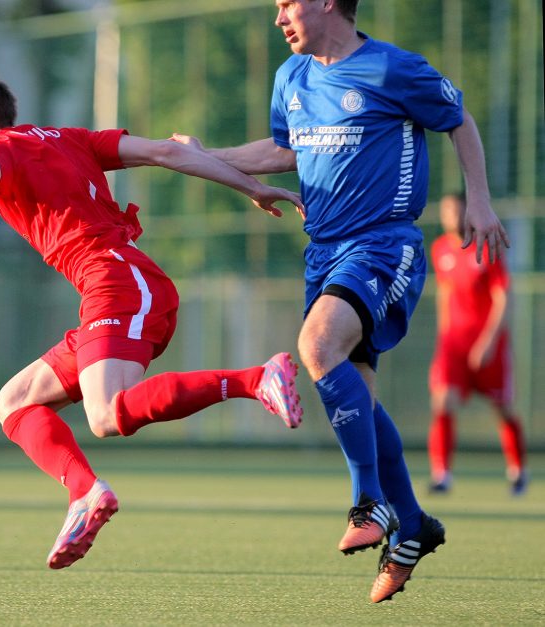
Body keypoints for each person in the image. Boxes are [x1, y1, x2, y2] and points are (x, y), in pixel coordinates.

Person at [0, 66, 305, 571]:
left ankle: (256, 379)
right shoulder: (69, 138)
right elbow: (166, 151)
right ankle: (85, 494)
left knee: (105, 414)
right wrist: (253, 187)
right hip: (115, 285)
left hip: (118, 282)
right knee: (15, 402)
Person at [174, 0, 509, 603]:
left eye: (286, 4)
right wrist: (206, 154)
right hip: (323, 253)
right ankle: (413, 525)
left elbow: (458, 118)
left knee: (316, 346)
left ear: (327, 3)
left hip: (383, 243)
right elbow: (284, 151)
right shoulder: (291, 78)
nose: (278, 17)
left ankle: (369, 503)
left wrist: (478, 200)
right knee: (355, 392)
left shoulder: (392, 68)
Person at [428, 193, 527, 496]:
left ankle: (518, 471)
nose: (450, 217)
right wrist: (444, 339)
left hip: (487, 343)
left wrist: (489, 341)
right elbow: (445, 294)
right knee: (442, 402)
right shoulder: (440, 248)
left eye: (456, 210)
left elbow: (502, 297)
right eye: (445, 211)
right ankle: (442, 475)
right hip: (453, 344)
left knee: (503, 408)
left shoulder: (487, 244)